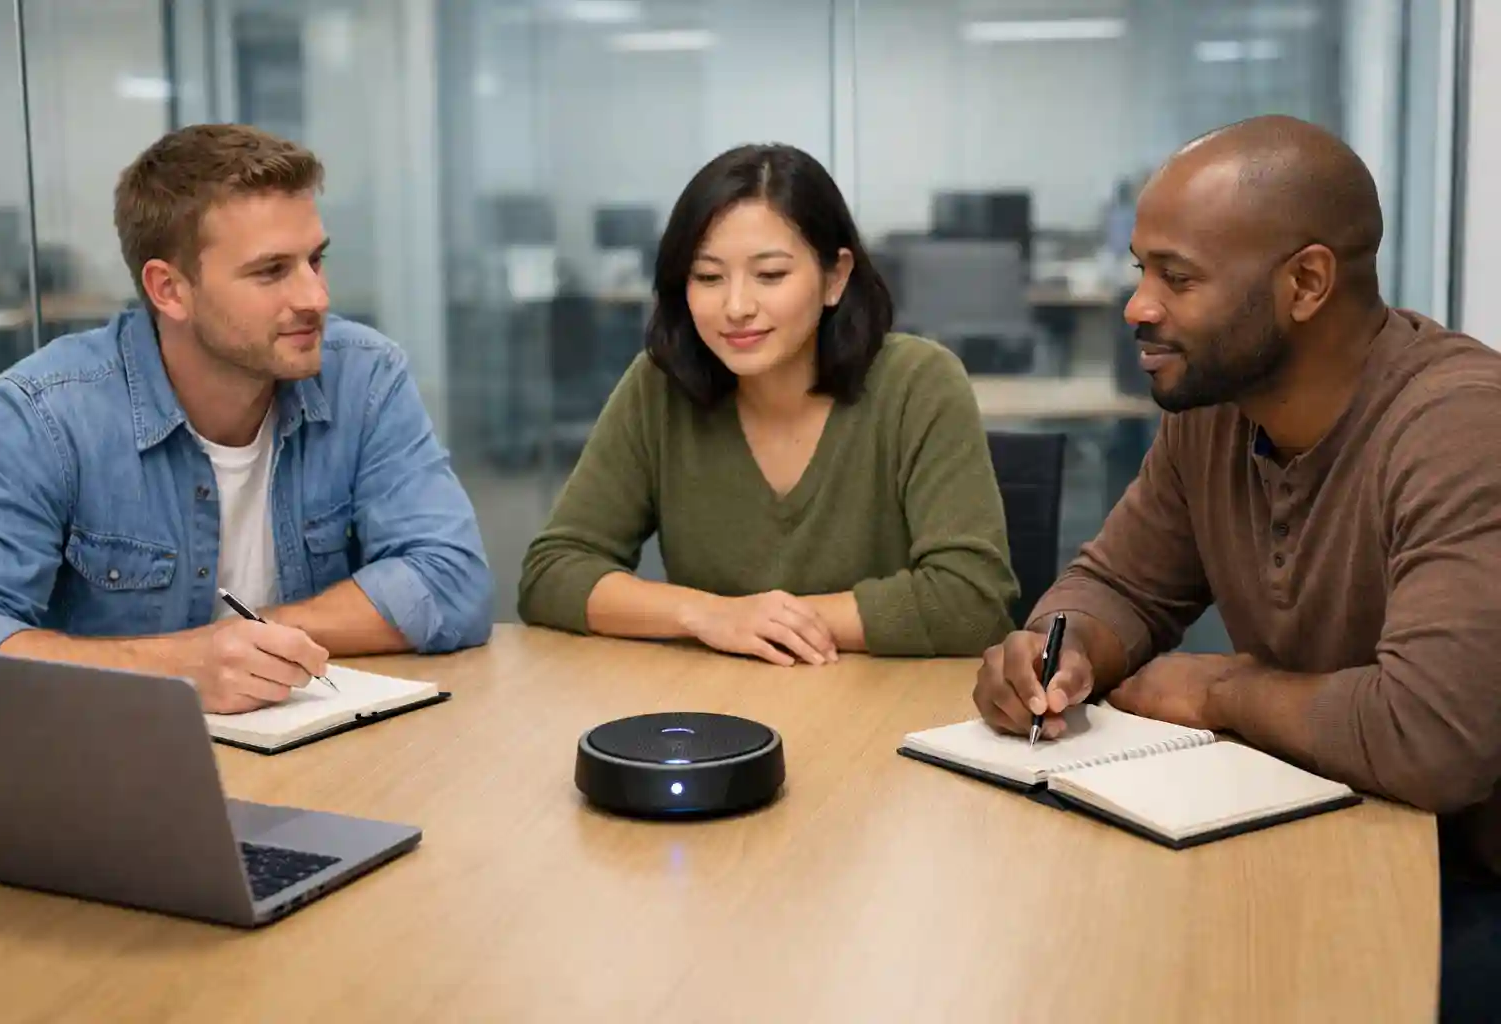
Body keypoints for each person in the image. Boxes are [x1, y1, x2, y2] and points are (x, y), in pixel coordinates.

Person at [970, 115, 1501, 1022]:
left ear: (1306, 282)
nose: (1136, 305)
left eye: (1176, 277)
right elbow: (1120, 586)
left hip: (1462, 874)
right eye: (1141, 270)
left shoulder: (1460, 429)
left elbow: (1433, 738)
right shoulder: (1215, 412)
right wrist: (1055, 650)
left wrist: (1221, 692)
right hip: (1328, 829)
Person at [0, 124, 493, 714]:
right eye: (271, 271)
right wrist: (180, 667)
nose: (315, 297)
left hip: (310, 749)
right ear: (170, 290)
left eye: (315, 260)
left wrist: (254, 637)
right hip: (119, 761)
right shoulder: (42, 415)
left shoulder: (364, 376)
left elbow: (453, 582)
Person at [519, 143, 1017, 664]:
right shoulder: (659, 387)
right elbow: (553, 573)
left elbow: (971, 602)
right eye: (708, 277)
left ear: (835, 277)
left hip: (882, 715)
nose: (736, 307)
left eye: (771, 275)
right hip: (719, 717)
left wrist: (769, 623)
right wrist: (706, 614)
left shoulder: (919, 382)